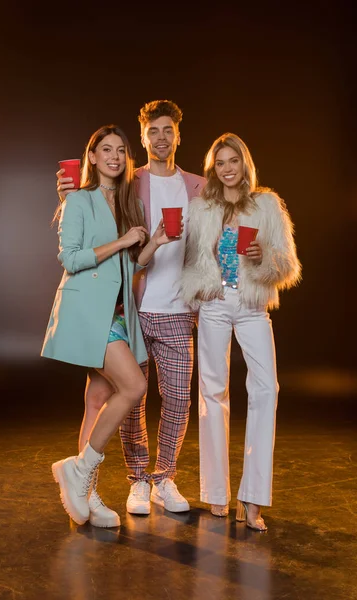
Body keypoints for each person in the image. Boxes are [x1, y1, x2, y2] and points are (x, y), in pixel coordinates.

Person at [57, 100, 205, 515]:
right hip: (129, 308)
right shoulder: (129, 185)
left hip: (168, 308)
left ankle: (156, 478)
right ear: (144, 137)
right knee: (128, 397)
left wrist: (154, 243)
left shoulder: (197, 186)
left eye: (167, 130)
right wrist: (69, 192)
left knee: (168, 399)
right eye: (152, 131)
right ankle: (129, 479)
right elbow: (80, 232)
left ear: (177, 134)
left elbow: (219, 227)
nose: (160, 138)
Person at [43, 124, 178, 528]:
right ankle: (79, 470)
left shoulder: (126, 202)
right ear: (93, 157)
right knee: (134, 386)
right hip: (89, 311)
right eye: (107, 149)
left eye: (121, 150)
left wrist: (152, 243)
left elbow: (131, 267)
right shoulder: (79, 200)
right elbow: (71, 259)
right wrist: (121, 241)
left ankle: (86, 491)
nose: (115, 156)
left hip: (119, 312)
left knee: (96, 399)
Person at [180, 132, 301, 531]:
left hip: (251, 306)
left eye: (233, 161)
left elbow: (287, 264)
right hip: (214, 304)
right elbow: (193, 261)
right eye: (220, 162)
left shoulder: (267, 204)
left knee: (266, 389)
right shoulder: (202, 209)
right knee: (212, 392)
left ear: (244, 163)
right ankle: (216, 493)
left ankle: (252, 498)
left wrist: (264, 256)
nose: (227, 168)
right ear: (212, 167)